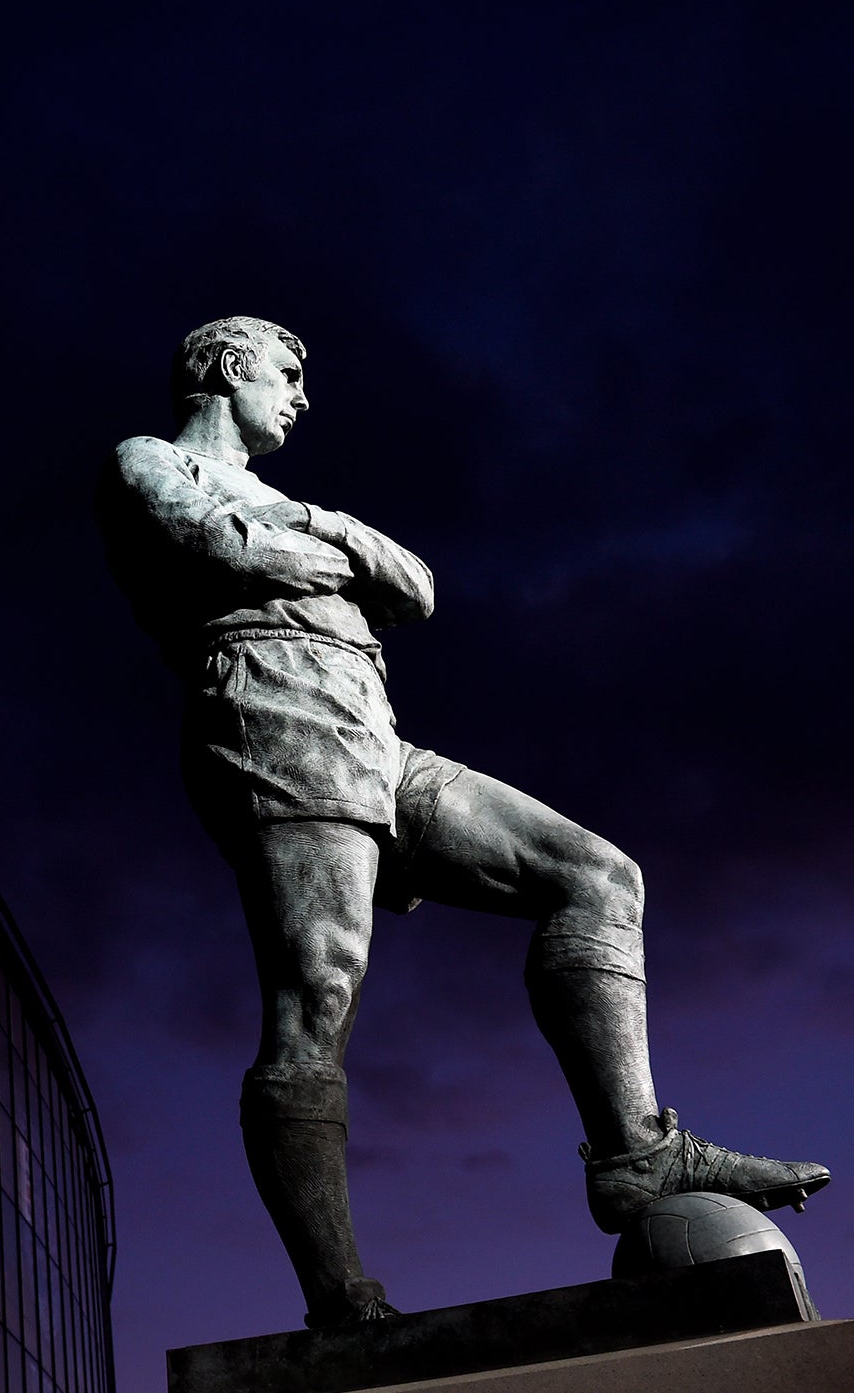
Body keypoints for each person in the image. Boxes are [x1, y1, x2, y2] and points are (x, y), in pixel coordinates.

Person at [96, 315, 829, 1329]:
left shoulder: (289, 502)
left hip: (371, 727)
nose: (300, 396)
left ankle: (633, 1153)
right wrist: (322, 548)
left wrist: (323, 534)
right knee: (318, 994)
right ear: (226, 366)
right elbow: (210, 546)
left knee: (594, 876)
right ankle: (340, 1299)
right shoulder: (146, 458)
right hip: (267, 708)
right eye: (288, 372)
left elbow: (415, 588)